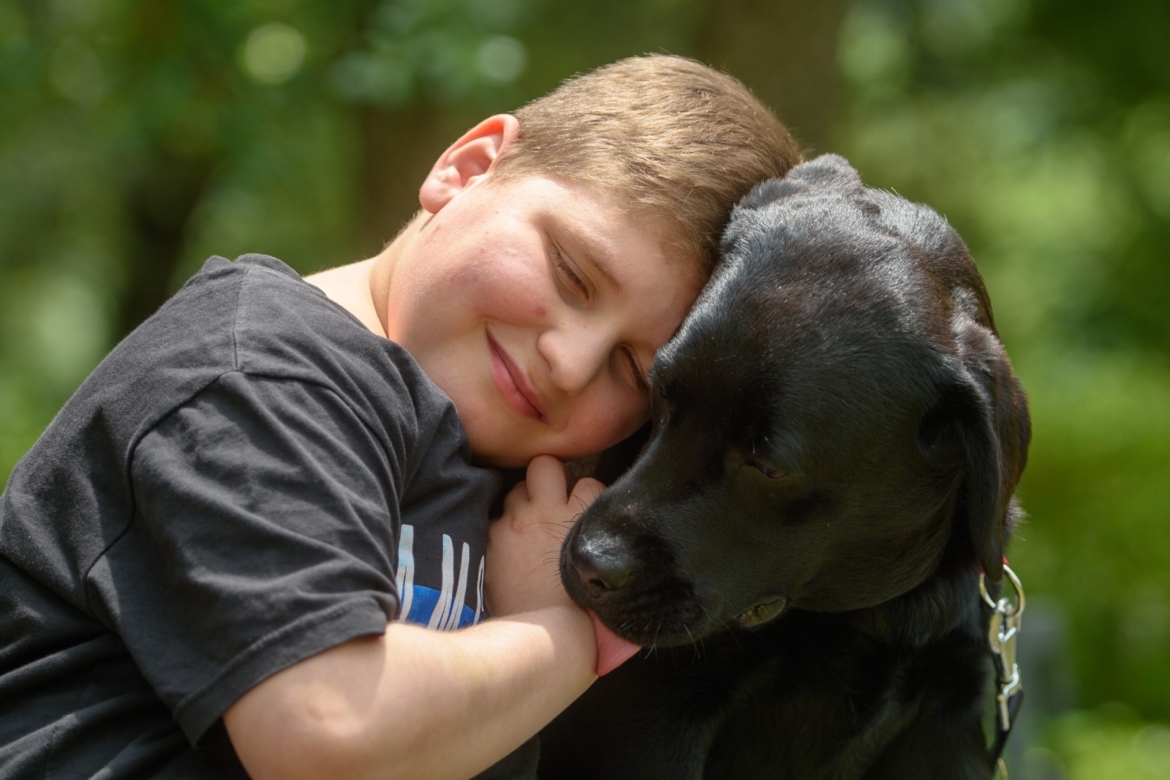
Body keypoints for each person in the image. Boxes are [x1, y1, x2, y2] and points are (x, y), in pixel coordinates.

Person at [0, 55, 800, 779]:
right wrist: (562, 639)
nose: (571, 361)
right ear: (467, 166)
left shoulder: (533, 492)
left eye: (633, 370)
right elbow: (326, 731)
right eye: (571, 273)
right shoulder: (261, 377)